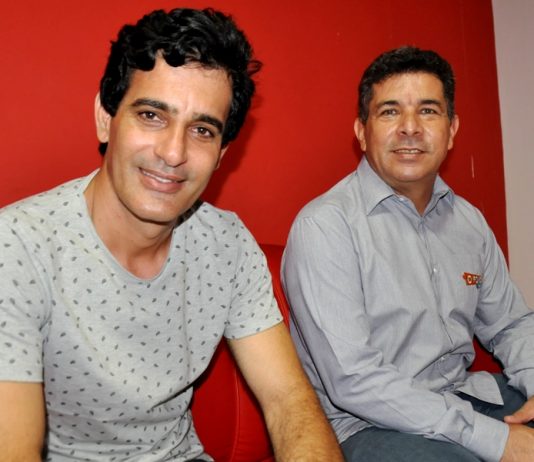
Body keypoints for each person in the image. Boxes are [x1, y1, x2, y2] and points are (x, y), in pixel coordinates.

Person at [0, 8, 343, 462]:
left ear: (221, 154)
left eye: (201, 130)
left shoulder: (228, 246)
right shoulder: (17, 246)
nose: (174, 152)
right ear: (105, 118)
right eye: (151, 115)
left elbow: (289, 400)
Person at [282, 46, 534, 462]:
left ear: (451, 130)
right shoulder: (325, 226)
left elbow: (510, 324)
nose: (410, 128)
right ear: (362, 131)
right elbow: (354, 380)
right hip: (370, 424)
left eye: (428, 111)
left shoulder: (469, 222)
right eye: (390, 112)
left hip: (465, 396)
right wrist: (498, 440)